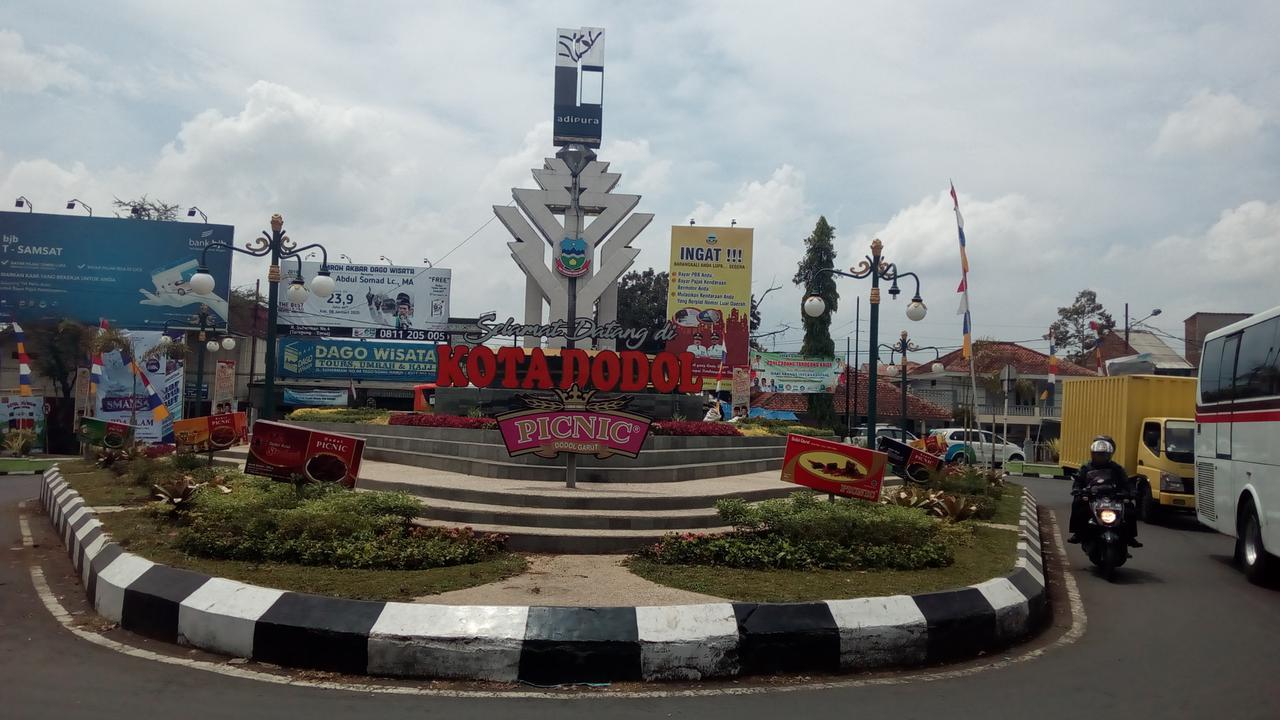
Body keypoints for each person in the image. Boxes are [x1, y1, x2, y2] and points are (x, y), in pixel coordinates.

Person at [1068, 436, 1142, 547]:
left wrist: (1132, 492)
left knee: (1129, 509)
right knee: (1078, 504)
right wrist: (1078, 490)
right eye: (1098, 454)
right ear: (1093, 454)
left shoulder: (1117, 468)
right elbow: (1078, 482)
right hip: (1093, 496)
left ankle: (1130, 537)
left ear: (1109, 455)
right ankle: (1078, 533)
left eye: (1103, 455)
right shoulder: (1086, 468)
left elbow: (1126, 482)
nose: (1100, 457)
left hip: (1113, 497)